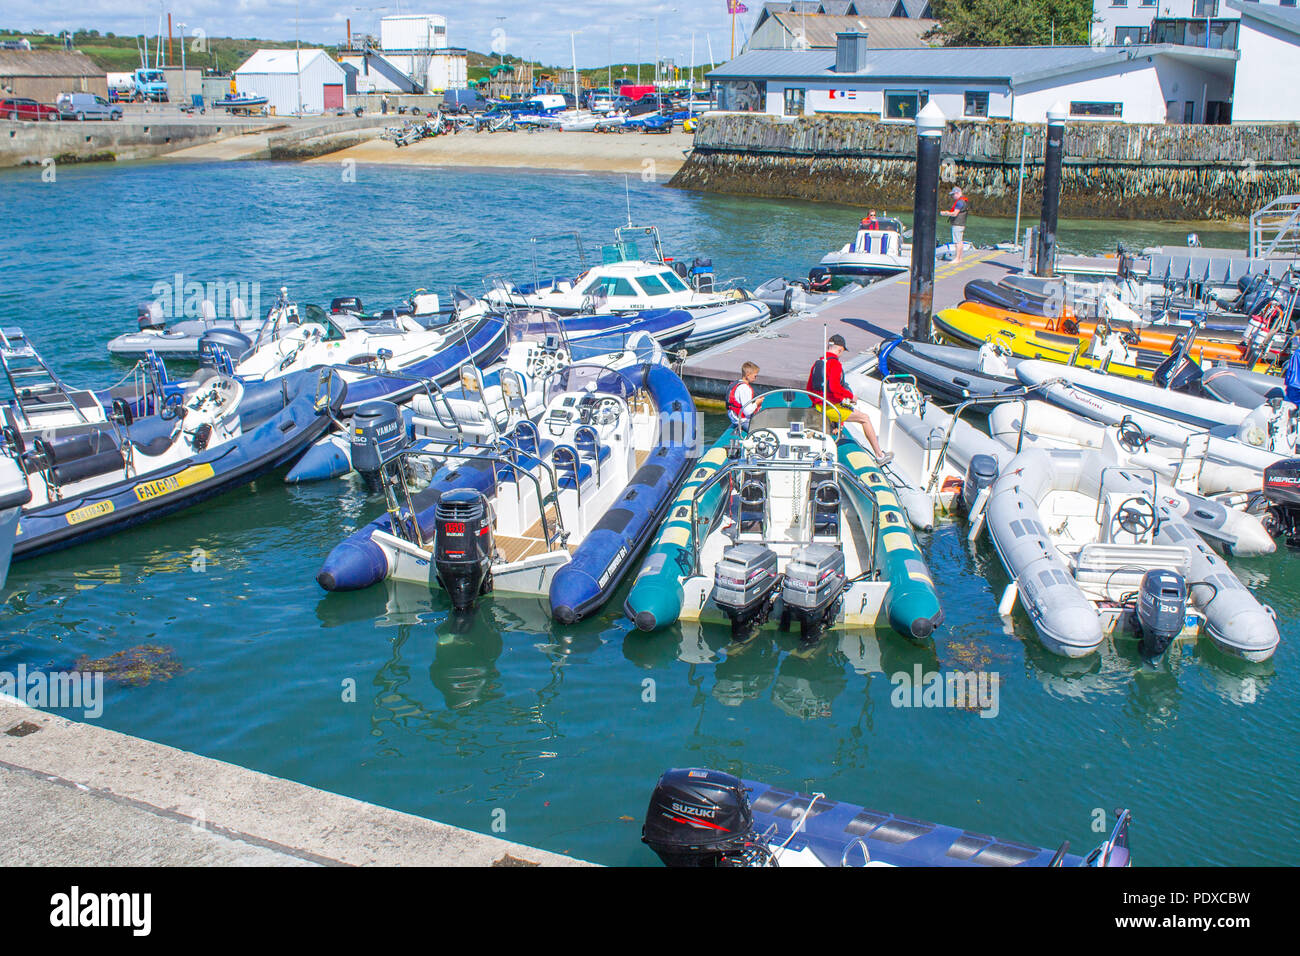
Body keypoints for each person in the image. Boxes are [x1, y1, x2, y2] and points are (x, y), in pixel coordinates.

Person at [806, 334, 891, 464]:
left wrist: (817, 403)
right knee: (864, 418)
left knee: (846, 413)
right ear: (840, 350)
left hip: (818, 405)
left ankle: (836, 427)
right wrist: (850, 396)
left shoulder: (818, 363)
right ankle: (879, 455)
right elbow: (834, 387)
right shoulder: (835, 364)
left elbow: (809, 388)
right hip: (829, 407)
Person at [727, 361, 763, 432]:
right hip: (742, 421)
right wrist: (757, 403)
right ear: (748, 375)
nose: (756, 378)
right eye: (755, 376)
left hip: (734, 418)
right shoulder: (745, 389)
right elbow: (747, 411)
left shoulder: (737, 384)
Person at [940, 187, 969, 263]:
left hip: (957, 224)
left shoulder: (959, 202)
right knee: (960, 241)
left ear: (958, 193)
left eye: (953, 195)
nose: (952, 196)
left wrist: (945, 213)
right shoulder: (964, 202)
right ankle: (959, 258)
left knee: (957, 242)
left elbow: (955, 213)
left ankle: (957, 258)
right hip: (961, 224)